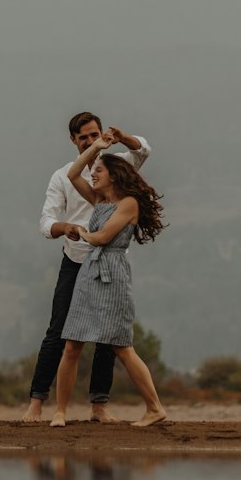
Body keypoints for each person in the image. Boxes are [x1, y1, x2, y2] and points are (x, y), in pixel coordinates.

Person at [23, 113, 151, 424]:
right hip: (75, 259)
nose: (91, 141)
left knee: (106, 338)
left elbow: (143, 150)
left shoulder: (116, 167)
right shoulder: (65, 176)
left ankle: (99, 405)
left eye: (95, 135)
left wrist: (121, 137)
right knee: (59, 334)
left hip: (107, 261)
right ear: (74, 140)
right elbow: (46, 222)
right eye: (84, 138)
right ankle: (38, 403)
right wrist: (63, 227)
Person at [50, 136, 167, 428]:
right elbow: (72, 174)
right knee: (72, 344)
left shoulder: (128, 204)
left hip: (112, 272)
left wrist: (80, 231)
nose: (93, 174)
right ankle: (60, 412)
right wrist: (96, 148)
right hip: (90, 271)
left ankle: (154, 408)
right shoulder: (100, 200)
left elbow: (103, 238)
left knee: (121, 346)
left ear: (113, 175)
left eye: (99, 170)